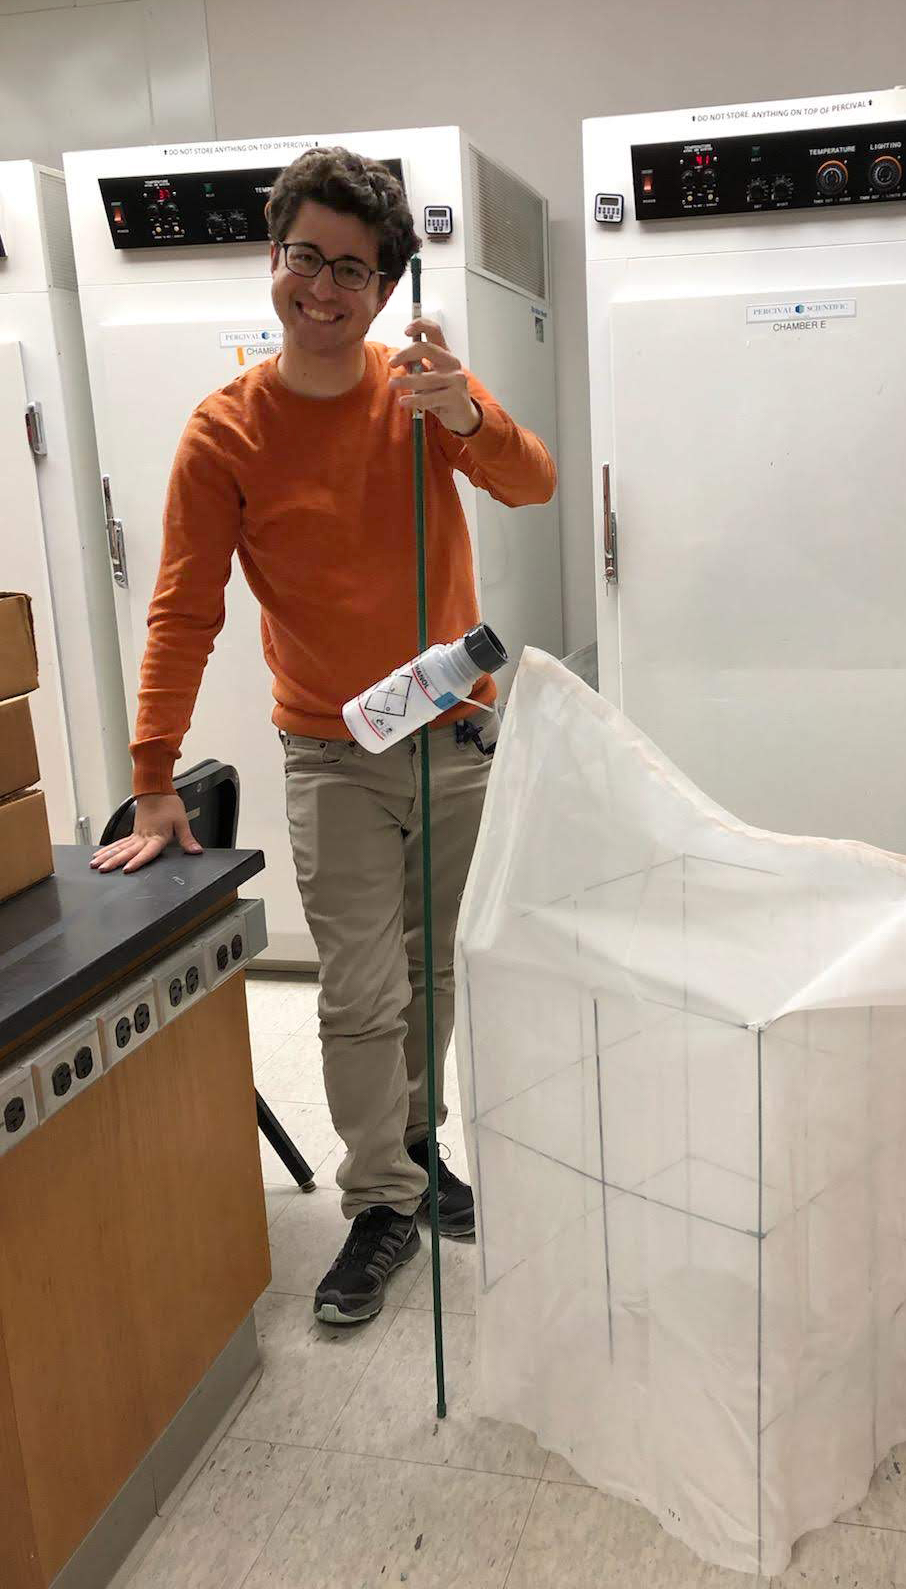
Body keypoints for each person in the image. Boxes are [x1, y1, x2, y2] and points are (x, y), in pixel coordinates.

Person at [90, 146, 557, 1324]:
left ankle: (415, 1155)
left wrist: (469, 414)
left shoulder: (422, 389)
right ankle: (378, 1201)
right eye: (306, 257)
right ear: (273, 259)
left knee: (434, 978)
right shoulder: (225, 434)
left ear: (386, 287)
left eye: (354, 268)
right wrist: (152, 779)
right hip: (331, 757)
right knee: (358, 992)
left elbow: (533, 483)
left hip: (454, 739)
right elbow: (184, 612)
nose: (325, 287)